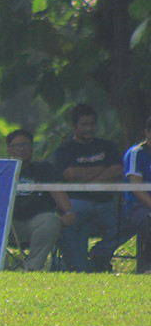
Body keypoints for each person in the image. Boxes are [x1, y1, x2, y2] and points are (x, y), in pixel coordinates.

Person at [53, 103, 125, 272]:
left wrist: (89, 182)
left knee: (130, 217)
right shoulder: (65, 149)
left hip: (106, 203)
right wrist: (101, 171)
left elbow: (117, 170)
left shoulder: (108, 146)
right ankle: (80, 267)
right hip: (76, 202)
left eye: (92, 124)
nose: (88, 128)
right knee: (70, 223)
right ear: (74, 126)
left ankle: (100, 253)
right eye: (84, 125)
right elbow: (69, 174)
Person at [5, 129, 76, 271]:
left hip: (35, 222)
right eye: (17, 145)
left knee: (51, 220)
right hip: (8, 224)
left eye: (26, 144)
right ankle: (1, 269)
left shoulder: (44, 169)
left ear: (32, 148)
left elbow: (57, 192)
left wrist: (68, 211)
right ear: (9, 150)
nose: (22, 149)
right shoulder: (2, 170)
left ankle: (31, 269)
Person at [122, 117, 151, 273]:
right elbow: (136, 187)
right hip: (138, 206)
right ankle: (146, 268)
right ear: (146, 132)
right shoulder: (136, 153)